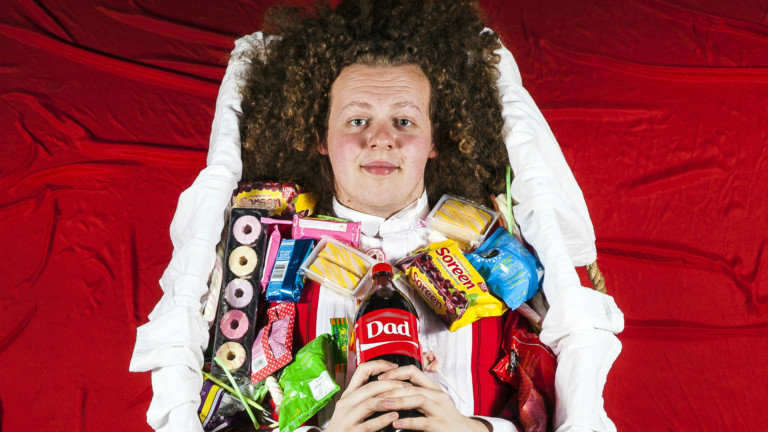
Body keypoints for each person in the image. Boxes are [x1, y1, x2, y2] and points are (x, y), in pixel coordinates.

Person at [130, 1, 624, 431]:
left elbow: (565, 409)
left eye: (404, 120)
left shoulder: (503, 252)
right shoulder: (262, 261)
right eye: (357, 119)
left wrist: (474, 429)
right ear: (320, 138)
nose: (380, 138)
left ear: (434, 142)